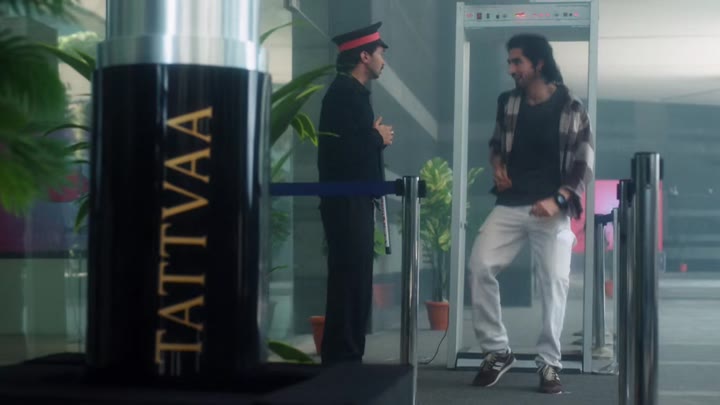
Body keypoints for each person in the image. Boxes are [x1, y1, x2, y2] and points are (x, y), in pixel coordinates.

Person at [468, 33, 595, 394]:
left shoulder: (572, 106)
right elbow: (496, 144)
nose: (511, 69)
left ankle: (549, 363)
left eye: (517, 62)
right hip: (511, 203)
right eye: (510, 62)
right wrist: (497, 167)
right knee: (479, 266)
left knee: (553, 281)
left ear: (538, 64)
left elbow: (584, 165)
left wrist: (559, 199)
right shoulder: (508, 102)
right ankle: (497, 351)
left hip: (551, 209)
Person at [316, 22, 394, 365]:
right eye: (379, 54)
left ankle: (346, 358)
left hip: (353, 201)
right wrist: (377, 137)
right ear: (364, 56)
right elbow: (342, 154)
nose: (383, 61)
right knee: (350, 283)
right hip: (346, 202)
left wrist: (373, 138)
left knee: (354, 281)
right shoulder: (344, 94)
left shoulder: (352, 93)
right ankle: (343, 360)